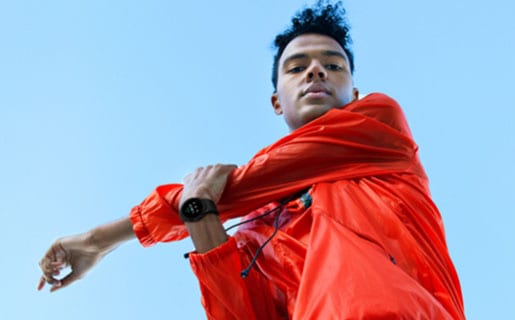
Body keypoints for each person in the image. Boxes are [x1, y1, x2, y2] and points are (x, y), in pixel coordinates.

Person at [38, 1, 465, 319]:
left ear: (354, 93)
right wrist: (199, 213)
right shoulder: (259, 227)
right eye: (297, 67)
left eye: (333, 65)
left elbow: (242, 185)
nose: (316, 71)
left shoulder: (381, 125)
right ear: (276, 101)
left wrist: (99, 239)